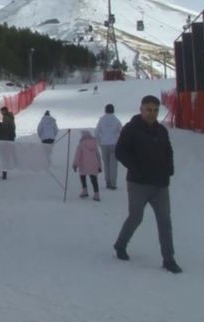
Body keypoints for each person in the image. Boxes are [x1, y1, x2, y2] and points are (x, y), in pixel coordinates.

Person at [113, 95, 182, 274]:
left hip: (160, 184)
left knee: (165, 220)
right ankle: (121, 244)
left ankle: (169, 259)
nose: (152, 113)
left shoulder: (161, 130)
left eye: (155, 110)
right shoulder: (131, 129)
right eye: (149, 110)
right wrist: (136, 168)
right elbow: (120, 151)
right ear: (141, 110)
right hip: (139, 183)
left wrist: (169, 169)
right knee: (136, 217)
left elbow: (168, 150)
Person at [95, 104, 122, 189]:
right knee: (113, 165)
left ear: (105, 110)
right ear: (113, 110)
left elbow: (97, 132)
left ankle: (108, 182)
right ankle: (113, 184)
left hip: (104, 144)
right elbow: (121, 132)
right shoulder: (116, 120)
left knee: (106, 165)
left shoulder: (102, 120)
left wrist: (99, 142)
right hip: (114, 144)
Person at [73, 130, 102, 200]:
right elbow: (98, 155)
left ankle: (85, 191)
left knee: (83, 177)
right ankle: (96, 194)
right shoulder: (95, 144)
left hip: (83, 164)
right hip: (94, 164)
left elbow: (78, 155)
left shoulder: (81, 144)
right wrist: (99, 166)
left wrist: (75, 164)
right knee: (94, 179)